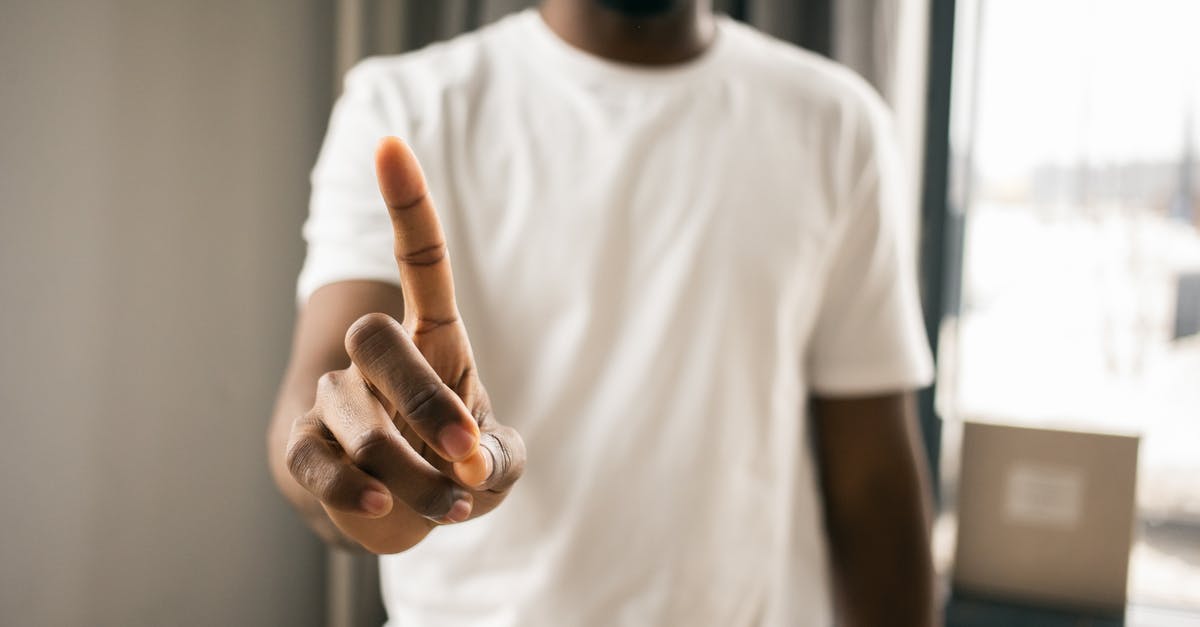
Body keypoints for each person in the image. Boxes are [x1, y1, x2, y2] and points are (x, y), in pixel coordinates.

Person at [266, 0, 938, 625]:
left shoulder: (836, 122)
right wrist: (363, 470)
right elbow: (321, 396)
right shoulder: (403, 104)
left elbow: (875, 488)